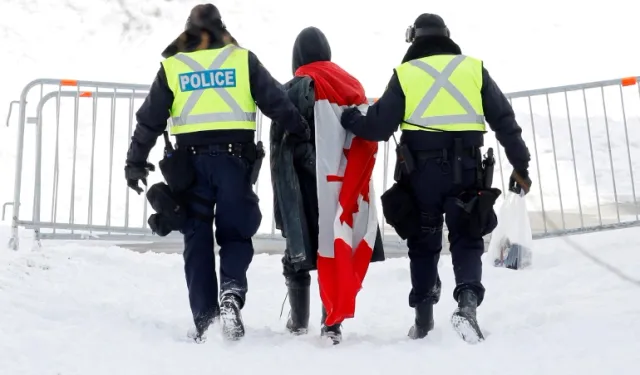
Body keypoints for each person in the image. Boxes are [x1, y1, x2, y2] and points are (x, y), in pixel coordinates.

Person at [340, 14, 532, 344]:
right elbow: (504, 120)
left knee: (424, 241)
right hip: (468, 171)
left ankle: (423, 320)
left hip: (423, 175)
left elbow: (379, 127)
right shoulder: (473, 69)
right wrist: (521, 165)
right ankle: (467, 306)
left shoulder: (406, 74)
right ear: (446, 38)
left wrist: (350, 118)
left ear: (414, 41)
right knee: (467, 236)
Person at [124, 3, 310, 343]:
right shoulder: (242, 60)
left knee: (196, 239)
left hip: (189, 167)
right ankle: (232, 293)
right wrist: (300, 129)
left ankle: (206, 321)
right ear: (222, 29)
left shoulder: (173, 66)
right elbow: (276, 102)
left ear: (188, 32)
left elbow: (149, 119)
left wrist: (135, 162)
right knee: (236, 234)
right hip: (234, 163)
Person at [270, 27, 385, 344]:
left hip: (308, 184)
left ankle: (298, 324)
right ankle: (331, 324)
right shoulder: (354, 85)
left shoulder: (297, 86)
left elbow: (286, 148)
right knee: (337, 249)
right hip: (348, 185)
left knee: (299, 253)